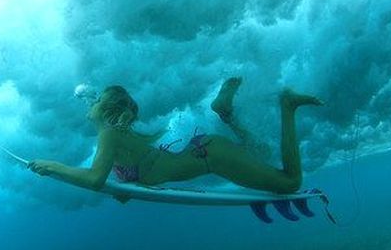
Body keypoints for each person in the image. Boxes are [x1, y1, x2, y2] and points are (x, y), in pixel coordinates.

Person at [27, 78, 323, 194]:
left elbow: (94, 179)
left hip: (211, 156)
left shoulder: (109, 136)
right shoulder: (115, 136)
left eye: (96, 99)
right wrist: (128, 192)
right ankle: (225, 113)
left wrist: (51, 166)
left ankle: (288, 106)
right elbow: (132, 186)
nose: (88, 102)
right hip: (206, 152)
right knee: (258, 150)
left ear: (106, 110)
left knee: (290, 182)